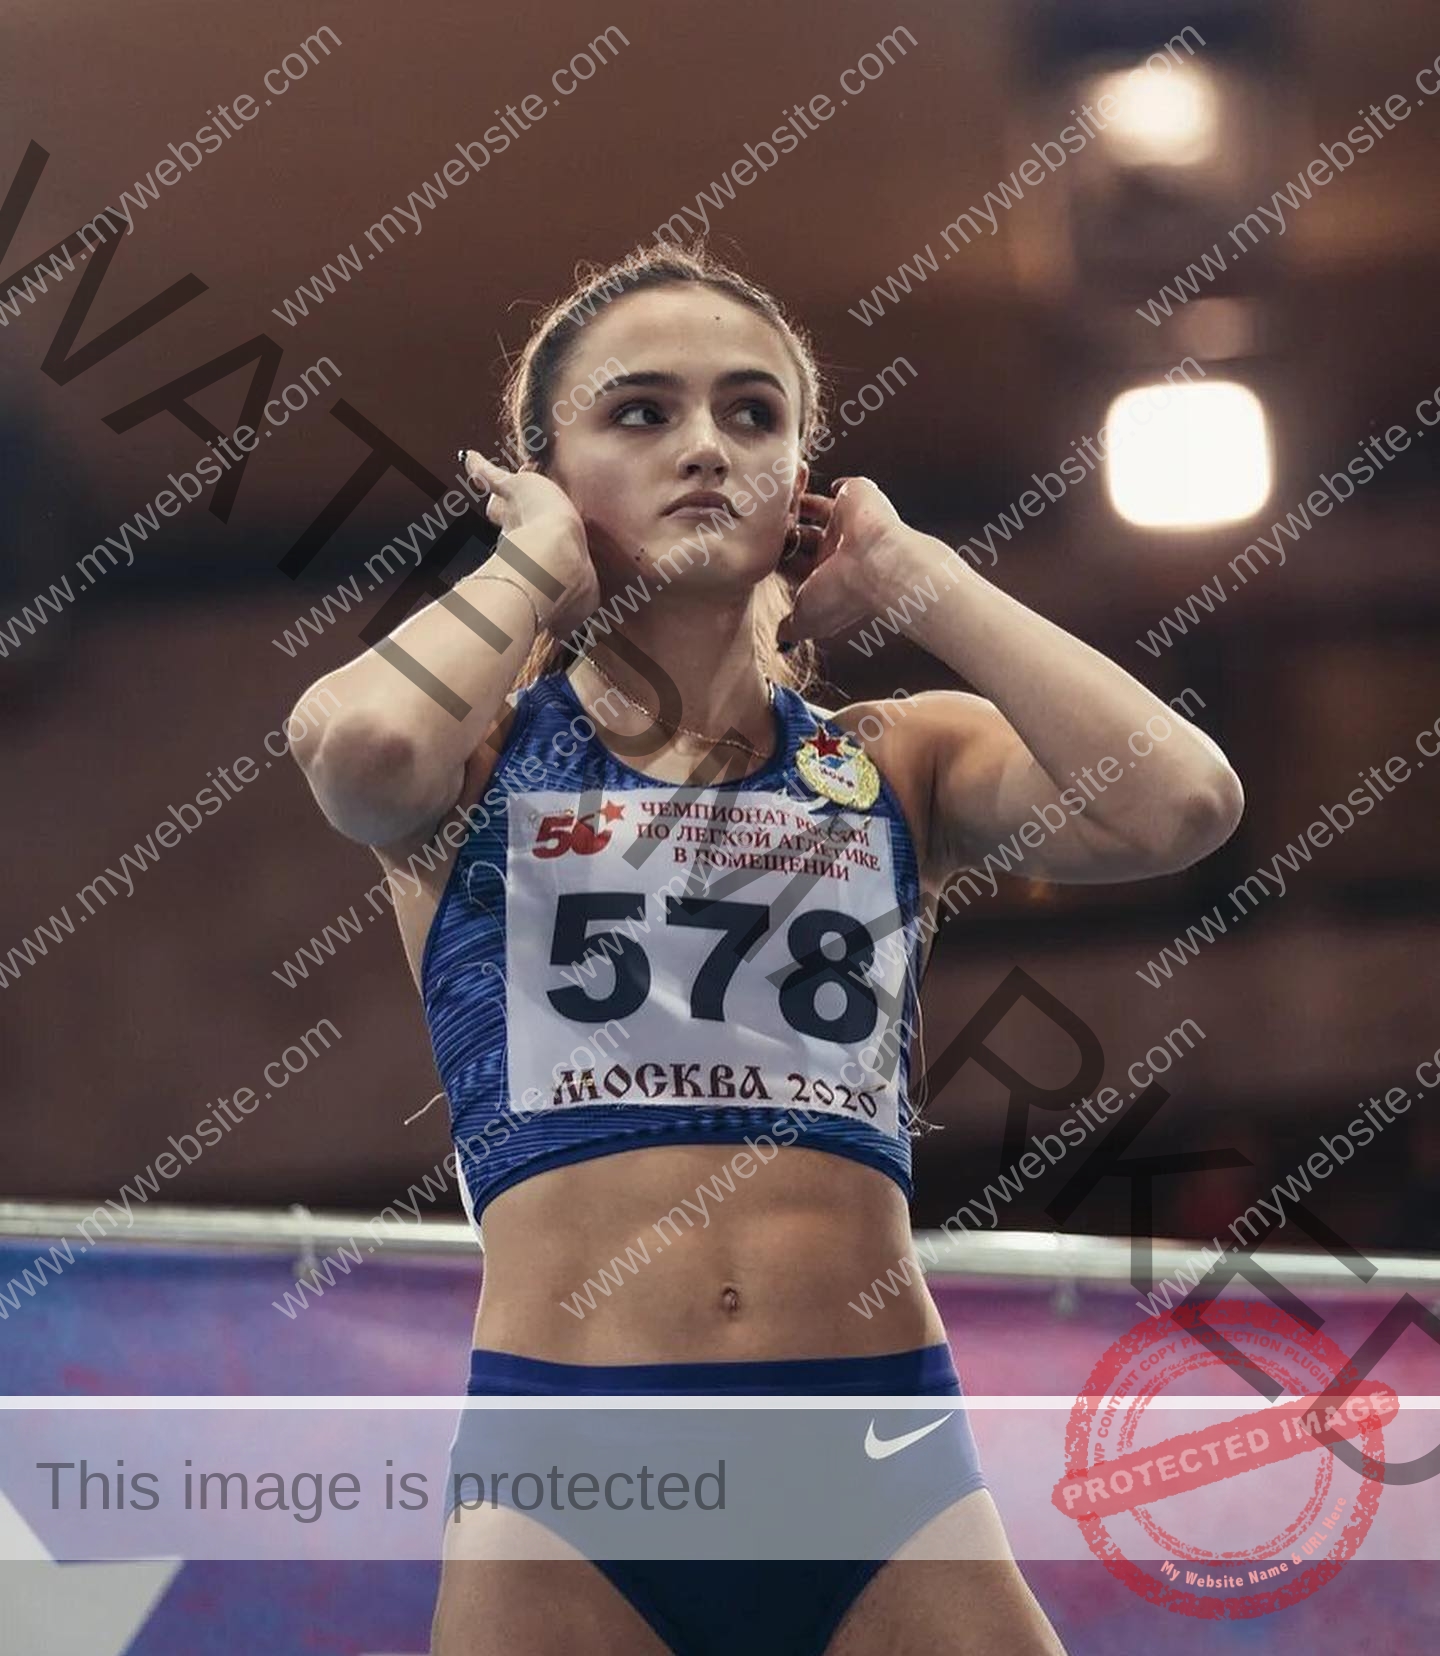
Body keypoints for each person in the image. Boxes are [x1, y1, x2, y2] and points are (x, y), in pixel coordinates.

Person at [288, 241, 1245, 1655]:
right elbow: (359, 753)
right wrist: (531, 562)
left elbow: (1185, 802)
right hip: (573, 1467)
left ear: (806, 474)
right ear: (546, 467)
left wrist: (918, 576)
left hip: (875, 1465)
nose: (705, 448)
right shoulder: (479, 757)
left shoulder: (890, 759)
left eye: (752, 413)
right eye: (640, 413)